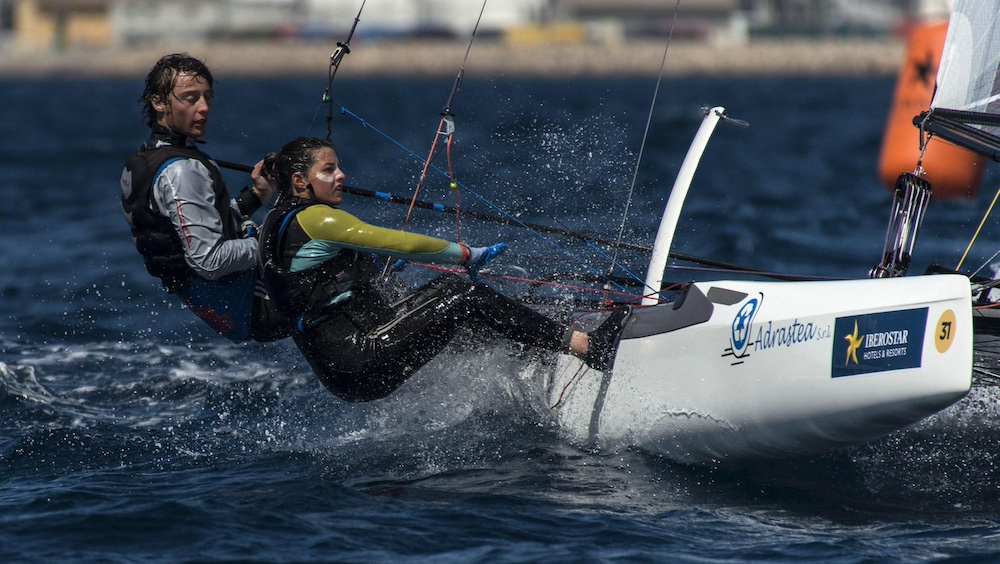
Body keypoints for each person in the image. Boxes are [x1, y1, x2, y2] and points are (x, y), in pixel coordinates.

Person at [258, 136, 632, 402]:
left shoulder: (274, 223)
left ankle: (532, 345)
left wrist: (378, 265)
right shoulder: (316, 219)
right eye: (329, 169)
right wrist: (465, 254)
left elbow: (320, 279)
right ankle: (586, 346)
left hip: (345, 368)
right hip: (359, 358)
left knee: (444, 308)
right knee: (460, 295)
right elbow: (394, 240)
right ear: (299, 182)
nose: (341, 175)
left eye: (338, 167)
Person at [120, 53, 287, 343]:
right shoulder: (181, 170)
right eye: (190, 98)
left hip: (229, 308)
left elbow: (203, 226)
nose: (204, 108)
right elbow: (210, 260)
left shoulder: (146, 159)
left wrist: (259, 194)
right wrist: (273, 243)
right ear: (158, 102)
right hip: (254, 305)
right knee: (315, 235)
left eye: (207, 97)